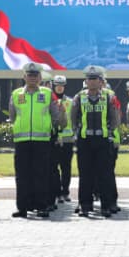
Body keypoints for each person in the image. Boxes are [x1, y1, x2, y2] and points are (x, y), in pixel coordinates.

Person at [10, 62, 64, 218]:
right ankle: (22, 208)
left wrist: (49, 128)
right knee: (22, 175)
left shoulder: (47, 93)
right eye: (30, 75)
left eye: (35, 75)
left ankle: (42, 206)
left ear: (40, 77)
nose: (32, 78)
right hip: (22, 141)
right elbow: (13, 116)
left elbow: (55, 116)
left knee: (41, 174)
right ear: (24, 77)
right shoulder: (16, 94)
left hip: (42, 141)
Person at [71, 65, 121, 217]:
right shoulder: (79, 97)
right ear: (86, 81)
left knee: (104, 174)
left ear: (101, 81)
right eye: (90, 79)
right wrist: (77, 132)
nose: (92, 82)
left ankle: (106, 206)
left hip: (103, 141)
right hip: (85, 141)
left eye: (95, 79)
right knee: (85, 174)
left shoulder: (108, 97)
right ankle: (85, 205)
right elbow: (73, 117)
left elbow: (115, 118)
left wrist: (110, 132)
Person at [50, 75, 75, 205]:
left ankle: (65, 192)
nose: (59, 88)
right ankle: (56, 193)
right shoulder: (50, 101)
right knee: (54, 167)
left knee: (66, 168)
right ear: (53, 86)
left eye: (62, 85)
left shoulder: (70, 102)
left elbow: (74, 119)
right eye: (57, 85)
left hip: (67, 139)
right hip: (54, 139)